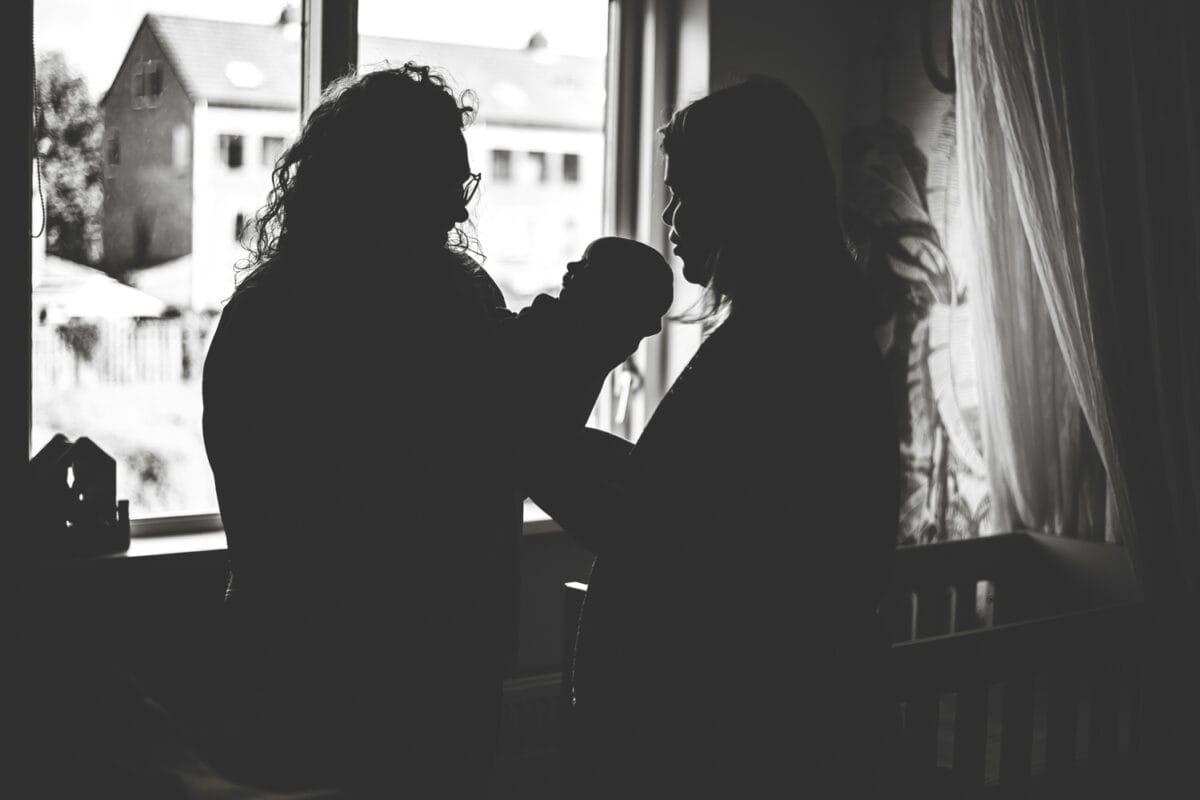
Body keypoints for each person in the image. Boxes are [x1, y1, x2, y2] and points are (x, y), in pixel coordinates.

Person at [201, 63, 672, 797]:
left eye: (463, 186)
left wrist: (587, 363)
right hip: (319, 677)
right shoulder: (279, 319)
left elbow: (512, 443)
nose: (456, 212)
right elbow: (430, 466)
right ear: (374, 183)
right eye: (438, 187)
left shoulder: (457, 292)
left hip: (450, 670)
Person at [531, 75, 900, 798]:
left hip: (737, 734)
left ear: (743, 196)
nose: (669, 215)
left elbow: (660, 531)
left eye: (685, 193)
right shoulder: (796, 325)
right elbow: (689, 493)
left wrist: (531, 450)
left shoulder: (783, 345)